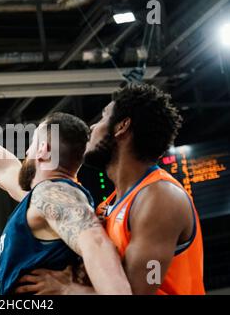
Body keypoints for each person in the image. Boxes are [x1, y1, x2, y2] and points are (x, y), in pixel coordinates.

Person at [0, 73, 132, 295]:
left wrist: (71, 290)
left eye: (32, 143)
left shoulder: (55, 195)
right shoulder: (39, 194)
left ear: (42, 150)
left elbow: (97, 244)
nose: (27, 151)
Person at [16, 84, 205, 295]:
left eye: (103, 118)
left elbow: (134, 294)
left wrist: (68, 290)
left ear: (121, 126)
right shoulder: (109, 205)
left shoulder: (160, 198)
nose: (93, 128)